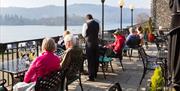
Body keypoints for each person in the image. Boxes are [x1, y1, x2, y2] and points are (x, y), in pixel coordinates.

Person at [82, 14, 100, 81]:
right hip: (96, 43)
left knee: (90, 60)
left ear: (87, 19)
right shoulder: (97, 24)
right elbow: (99, 33)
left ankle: (91, 76)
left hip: (89, 44)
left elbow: (84, 34)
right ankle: (95, 74)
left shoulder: (86, 24)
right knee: (96, 59)